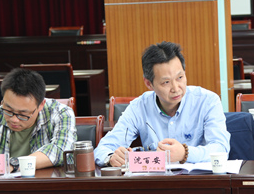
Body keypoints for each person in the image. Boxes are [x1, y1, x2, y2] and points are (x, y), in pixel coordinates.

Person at [95, 41, 230, 167]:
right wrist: (111, 158)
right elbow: (103, 148)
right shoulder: (139, 107)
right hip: (156, 181)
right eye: (166, 82)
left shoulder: (207, 101)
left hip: (199, 180)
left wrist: (185, 153)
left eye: (180, 77)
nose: (176, 88)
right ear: (149, 84)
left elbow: (221, 148)